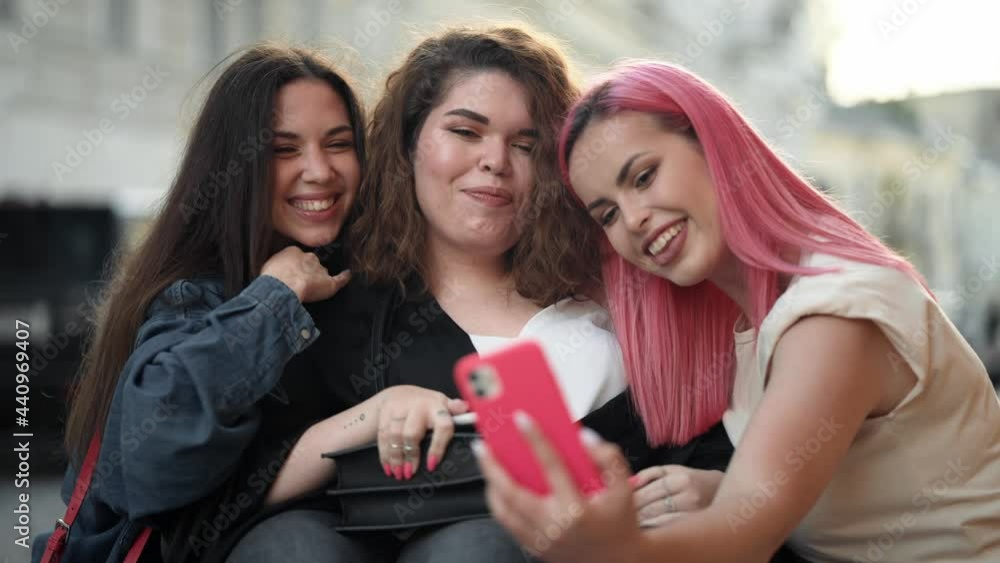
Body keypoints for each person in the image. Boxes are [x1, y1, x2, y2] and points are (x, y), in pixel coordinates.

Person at [221, 27, 735, 563]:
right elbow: (231, 495)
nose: (496, 160)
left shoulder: (625, 289)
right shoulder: (325, 302)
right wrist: (369, 418)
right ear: (408, 142)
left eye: (525, 144)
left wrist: (713, 490)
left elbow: (724, 458)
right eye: (466, 132)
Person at [475, 60, 1000, 562]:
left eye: (643, 177)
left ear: (714, 147)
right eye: (607, 213)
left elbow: (741, 544)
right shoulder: (746, 319)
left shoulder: (834, 313)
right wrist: (724, 489)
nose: (632, 220)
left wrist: (607, 546)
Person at [31, 42, 367, 563]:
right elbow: (144, 467)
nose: (319, 170)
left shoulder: (363, 278)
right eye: (284, 149)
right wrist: (274, 299)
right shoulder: (193, 296)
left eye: (338, 143)